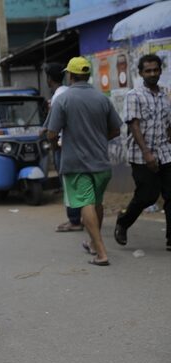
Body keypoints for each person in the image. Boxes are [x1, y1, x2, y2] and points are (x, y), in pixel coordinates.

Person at [46, 56, 122, 266]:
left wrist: (57, 147)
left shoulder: (63, 99)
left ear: (69, 75)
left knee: (85, 204)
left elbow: (52, 134)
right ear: (88, 75)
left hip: (77, 164)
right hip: (101, 163)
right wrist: (98, 140)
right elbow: (115, 129)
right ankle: (91, 242)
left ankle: (102, 253)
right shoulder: (102, 98)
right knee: (96, 202)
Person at [114, 54, 171, 250]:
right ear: (140, 73)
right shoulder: (134, 95)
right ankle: (123, 222)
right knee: (148, 195)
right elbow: (134, 126)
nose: (152, 73)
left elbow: (168, 125)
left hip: (166, 153)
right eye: (148, 71)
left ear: (160, 71)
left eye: (155, 70)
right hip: (141, 155)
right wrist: (147, 153)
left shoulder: (165, 95)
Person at [44, 63, 83, 233]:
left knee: (68, 184)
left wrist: (53, 144)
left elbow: (52, 128)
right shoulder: (68, 92)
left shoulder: (58, 97)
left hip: (63, 145)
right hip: (78, 143)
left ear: (49, 79)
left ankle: (74, 219)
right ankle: (80, 217)